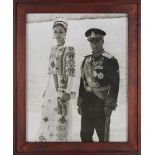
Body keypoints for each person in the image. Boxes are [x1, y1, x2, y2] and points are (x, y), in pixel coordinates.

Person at [77, 28, 120, 142]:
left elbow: (115, 85)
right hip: (87, 103)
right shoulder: (86, 60)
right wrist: (80, 103)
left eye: (97, 41)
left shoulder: (110, 60)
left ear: (103, 41)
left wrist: (110, 105)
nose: (94, 44)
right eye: (92, 41)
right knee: (85, 136)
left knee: (103, 137)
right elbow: (82, 83)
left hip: (101, 104)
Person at [37, 17, 75, 142]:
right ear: (53, 33)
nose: (58, 34)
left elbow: (71, 73)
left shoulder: (69, 49)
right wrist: (46, 88)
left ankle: (61, 141)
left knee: (61, 114)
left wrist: (68, 92)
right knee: (48, 114)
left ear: (65, 33)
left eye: (61, 32)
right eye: (56, 31)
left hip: (62, 87)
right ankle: (48, 140)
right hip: (51, 88)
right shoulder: (53, 49)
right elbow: (50, 72)